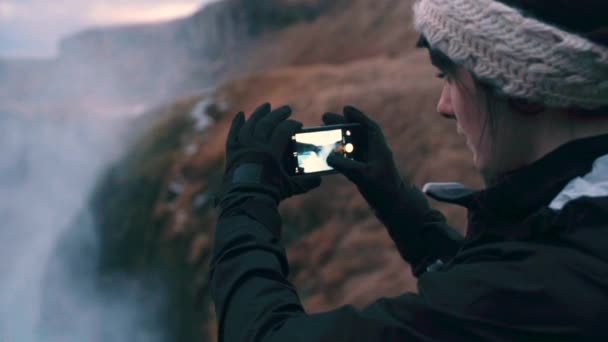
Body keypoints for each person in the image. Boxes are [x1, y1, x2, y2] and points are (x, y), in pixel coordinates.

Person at [208, 0, 608, 340]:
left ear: (523, 89)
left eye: (449, 76)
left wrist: (246, 194)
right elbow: (487, 296)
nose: (444, 106)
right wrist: (394, 199)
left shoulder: (545, 288)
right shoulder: (577, 238)